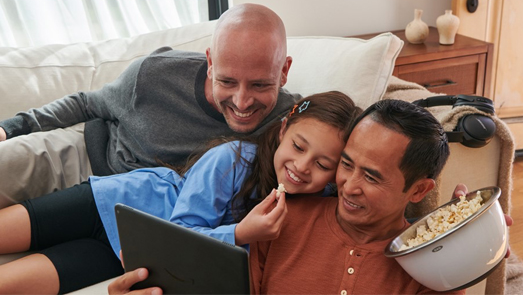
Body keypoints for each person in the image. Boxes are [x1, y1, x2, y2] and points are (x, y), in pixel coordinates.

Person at [109, 99, 509, 295]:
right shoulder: (282, 221)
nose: (349, 185)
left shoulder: (425, 264)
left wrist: (473, 243)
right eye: (346, 164)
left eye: (371, 176)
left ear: (419, 190)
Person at [0, 91, 360, 294]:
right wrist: (239, 233)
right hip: (113, 202)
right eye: (298, 146)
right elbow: (181, 228)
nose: (302, 166)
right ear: (283, 130)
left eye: (324, 164)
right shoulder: (233, 160)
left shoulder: (318, 206)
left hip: (131, 256)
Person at [0, 3, 297, 208]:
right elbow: (87, 103)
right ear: (210, 63)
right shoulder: (154, 74)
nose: (242, 102)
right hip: (81, 157)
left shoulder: (293, 123)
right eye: (228, 82)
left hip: (124, 206)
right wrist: (9, 128)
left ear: (284, 71)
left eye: (260, 85)